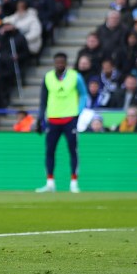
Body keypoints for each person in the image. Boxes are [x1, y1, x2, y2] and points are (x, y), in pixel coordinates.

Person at [36, 52, 87, 194]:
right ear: (54, 63)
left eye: (62, 62)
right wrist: (40, 118)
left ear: (66, 62)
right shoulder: (48, 77)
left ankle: (74, 183)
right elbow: (43, 100)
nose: (59, 64)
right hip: (52, 120)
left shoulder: (75, 77)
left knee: (73, 151)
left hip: (70, 119)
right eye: (57, 62)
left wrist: (78, 112)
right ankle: (50, 182)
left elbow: (83, 94)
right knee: (50, 151)